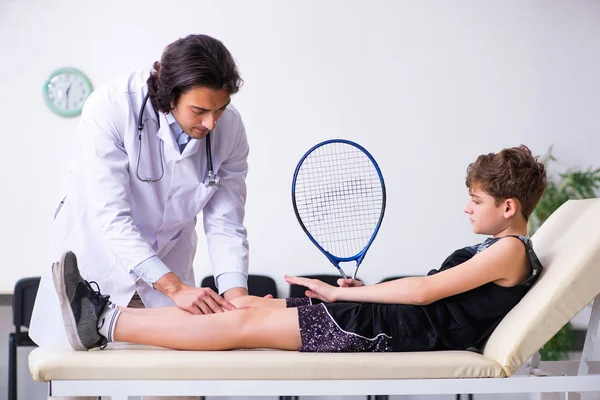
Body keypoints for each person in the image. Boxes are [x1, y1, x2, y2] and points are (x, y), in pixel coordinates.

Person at [52, 145, 547, 354]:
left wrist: (343, 297)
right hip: (389, 320)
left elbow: (423, 294)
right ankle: (105, 315)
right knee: (248, 303)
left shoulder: (511, 252)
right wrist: (361, 291)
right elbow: (429, 295)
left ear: (508, 206)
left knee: (243, 323)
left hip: (394, 331)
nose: (466, 208)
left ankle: (106, 323)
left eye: (476, 200)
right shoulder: (499, 247)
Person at [31, 34, 252, 354]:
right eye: (199, 110)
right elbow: (110, 214)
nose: (211, 123)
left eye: (220, 109)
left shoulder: (229, 129)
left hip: (169, 263)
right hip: (95, 265)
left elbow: (225, 223)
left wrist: (237, 300)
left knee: (172, 385)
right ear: (169, 94)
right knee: (76, 382)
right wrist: (174, 287)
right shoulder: (112, 106)